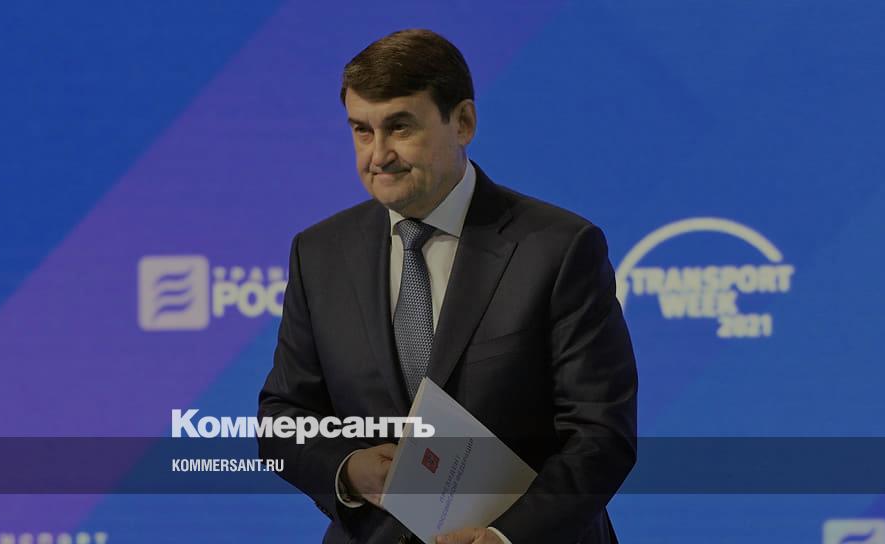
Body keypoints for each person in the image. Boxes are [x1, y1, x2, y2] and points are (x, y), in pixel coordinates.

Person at [258, 29, 637, 544]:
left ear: (463, 123)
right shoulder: (319, 252)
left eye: (399, 127)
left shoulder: (559, 248)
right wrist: (346, 469)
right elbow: (284, 417)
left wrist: (504, 537)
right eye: (362, 131)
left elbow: (600, 434)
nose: (378, 155)